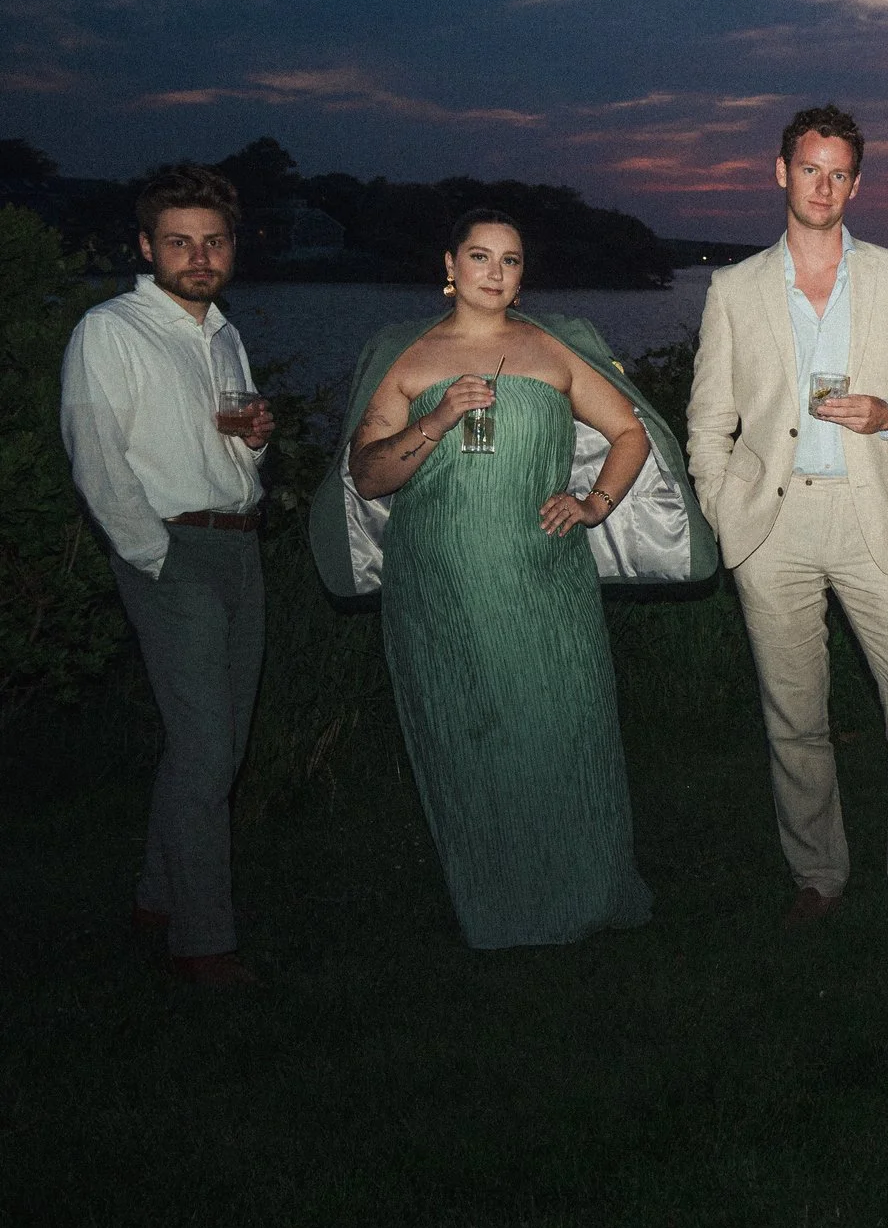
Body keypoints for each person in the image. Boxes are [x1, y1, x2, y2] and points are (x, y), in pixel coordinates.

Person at [324, 209, 711, 949]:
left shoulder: (551, 350)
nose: (495, 271)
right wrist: (435, 419)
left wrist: (594, 503)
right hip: (438, 578)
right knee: (469, 734)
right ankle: (499, 900)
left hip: (543, 573)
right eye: (479, 255)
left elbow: (630, 431)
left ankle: (588, 891)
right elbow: (368, 476)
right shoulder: (405, 357)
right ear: (450, 264)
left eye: (510, 259)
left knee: (564, 724)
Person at [686, 104, 888, 931]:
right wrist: (722, 506)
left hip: (872, 510)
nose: (824, 185)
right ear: (781, 173)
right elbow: (709, 421)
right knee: (795, 714)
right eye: (810, 168)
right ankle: (818, 873)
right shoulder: (733, 288)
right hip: (772, 526)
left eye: (839, 171)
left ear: (858, 181)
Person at [60, 165, 274, 986]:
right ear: (146, 246)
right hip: (171, 551)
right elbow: (97, 456)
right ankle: (203, 939)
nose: (198, 256)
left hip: (240, 547)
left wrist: (255, 438)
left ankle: (158, 894)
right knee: (203, 746)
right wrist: (148, 554)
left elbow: (227, 445)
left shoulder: (221, 331)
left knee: (219, 739)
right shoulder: (110, 329)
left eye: (212, 241)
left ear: (230, 248)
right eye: (179, 242)